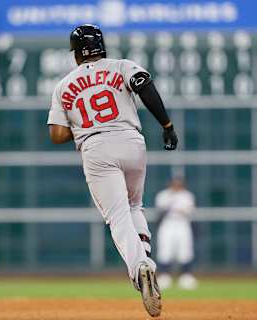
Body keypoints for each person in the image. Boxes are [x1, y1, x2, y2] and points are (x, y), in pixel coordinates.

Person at [47, 24, 178, 317]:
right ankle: (144, 255)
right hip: (132, 141)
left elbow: (56, 134)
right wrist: (167, 126)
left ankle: (140, 267)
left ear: (76, 53)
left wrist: (82, 123)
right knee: (134, 205)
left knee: (117, 215)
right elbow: (145, 85)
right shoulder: (121, 66)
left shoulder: (64, 85)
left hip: (96, 148)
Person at [155, 176, 198, 290]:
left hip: (182, 223)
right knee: (165, 250)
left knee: (185, 250)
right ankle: (164, 276)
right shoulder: (163, 195)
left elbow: (188, 211)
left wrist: (176, 208)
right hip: (168, 223)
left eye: (179, 184)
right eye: (175, 183)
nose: (176, 186)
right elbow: (161, 210)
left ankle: (186, 277)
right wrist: (173, 204)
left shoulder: (187, 195)